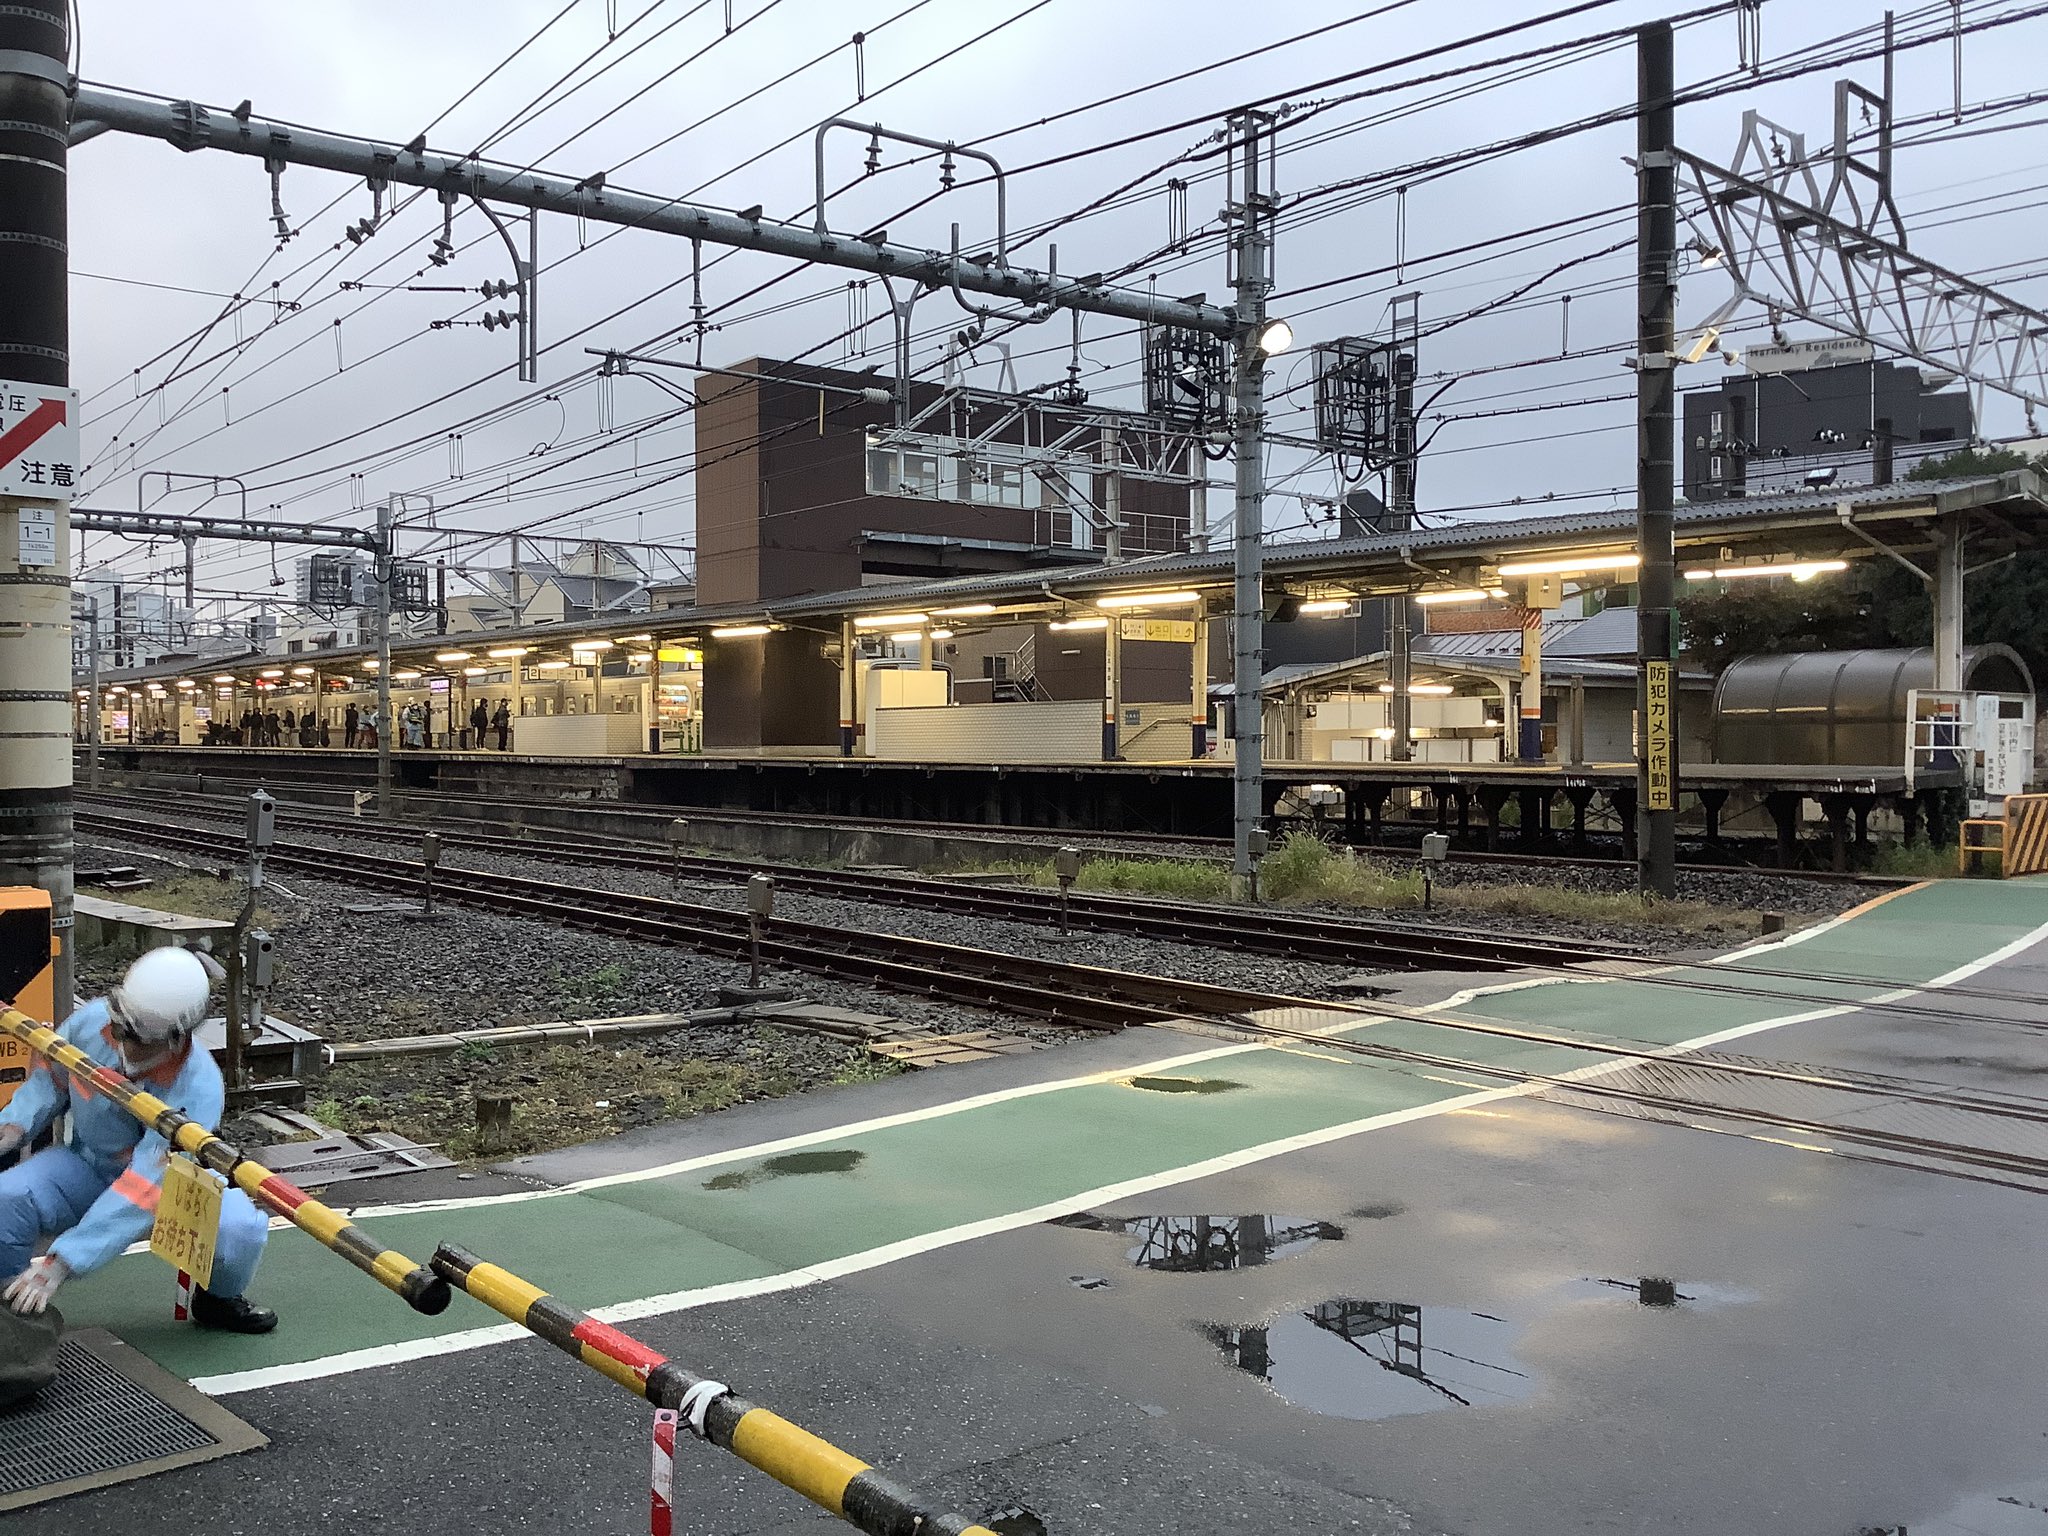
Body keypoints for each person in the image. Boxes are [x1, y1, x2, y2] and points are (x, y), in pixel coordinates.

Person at [0, 948, 277, 1333]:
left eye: (140, 1040)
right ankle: (8, 1305)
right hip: (89, 1166)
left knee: (238, 1230)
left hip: (169, 1188)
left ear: (177, 1039)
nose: (126, 1046)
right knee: (6, 1197)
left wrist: (61, 1262)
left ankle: (218, 1299)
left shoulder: (199, 1088)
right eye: (120, 1032)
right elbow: (50, 1078)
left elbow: (148, 1184)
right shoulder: (92, 1022)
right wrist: (11, 1128)